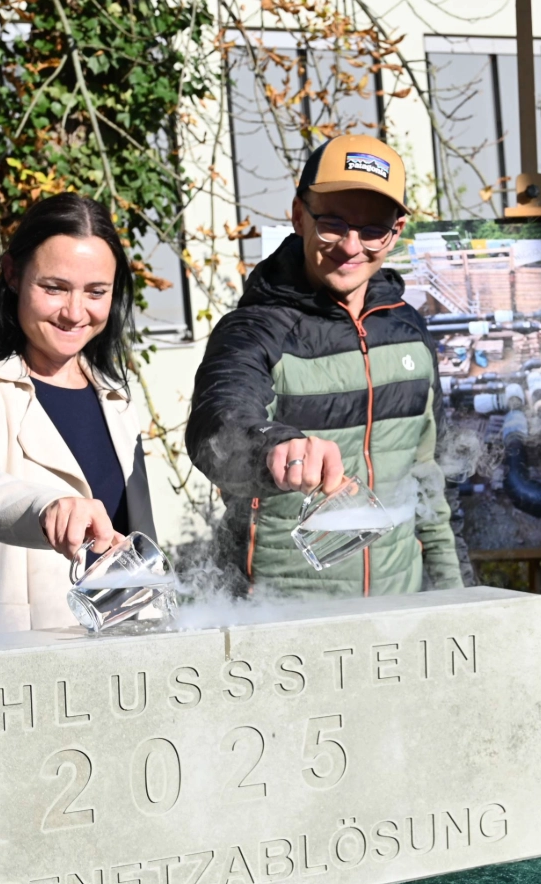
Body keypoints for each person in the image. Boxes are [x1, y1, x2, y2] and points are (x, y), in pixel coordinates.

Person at [186, 135, 461, 597]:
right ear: (299, 216)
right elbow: (215, 431)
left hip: (402, 612)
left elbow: (428, 480)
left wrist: (457, 593)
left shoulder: (410, 330)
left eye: (373, 229)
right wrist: (276, 448)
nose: (351, 246)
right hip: (278, 616)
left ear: (395, 233)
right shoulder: (253, 330)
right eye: (332, 223)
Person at [0, 192, 155, 636]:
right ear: (12, 275)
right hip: (6, 651)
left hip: (120, 648)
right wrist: (45, 507)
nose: (74, 312)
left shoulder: (117, 394)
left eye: (96, 292)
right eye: (54, 288)